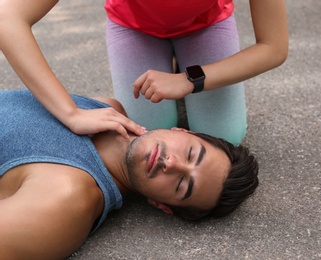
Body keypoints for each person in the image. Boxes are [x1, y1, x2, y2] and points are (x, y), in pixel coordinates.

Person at [0, 89, 259, 259]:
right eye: (191, 154)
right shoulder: (106, 108)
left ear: (162, 206)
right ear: (184, 132)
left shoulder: (67, 200)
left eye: (181, 185)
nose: (172, 164)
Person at [0, 0, 289, 147]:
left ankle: (179, 64)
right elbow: (7, 16)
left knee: (220, 140)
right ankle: (168, 60)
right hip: (134, 26)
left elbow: (274, 47)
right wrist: (71, 113)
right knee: (146, 136)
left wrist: (189, 79)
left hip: (206, 24)